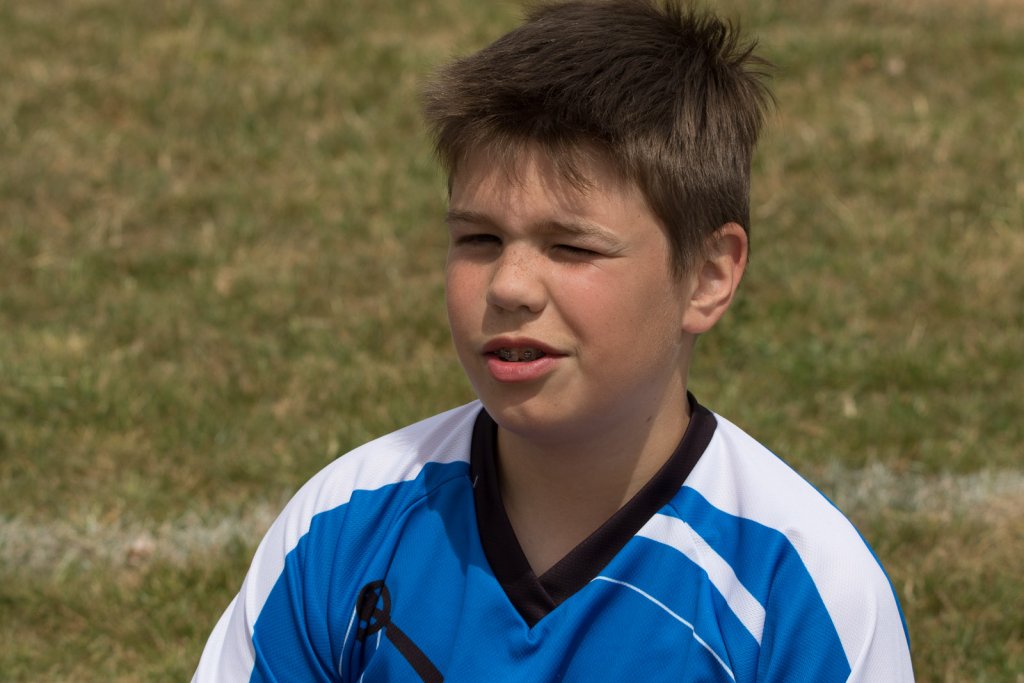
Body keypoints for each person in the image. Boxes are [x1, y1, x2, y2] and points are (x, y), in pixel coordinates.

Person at [193, 1, 914, 680]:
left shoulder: (797, 589)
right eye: (479, 238)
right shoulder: (344, 527)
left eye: (572, 248)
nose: (509, 285)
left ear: (707, 276)